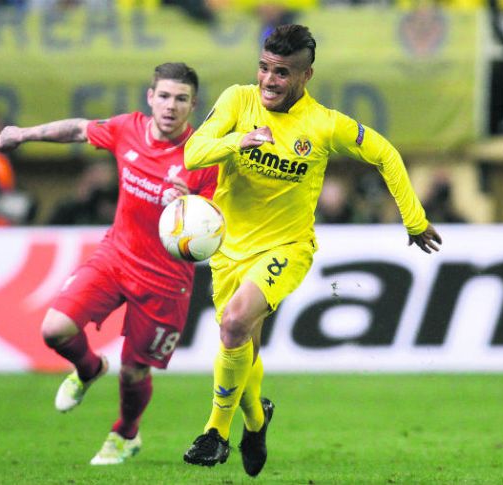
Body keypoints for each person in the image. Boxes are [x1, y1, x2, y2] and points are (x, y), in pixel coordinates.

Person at [181, 24, 442, 477]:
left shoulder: (323, 125)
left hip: (287, 248)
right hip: (229, 251)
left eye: (281, 72)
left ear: (306, 76)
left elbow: (385, 153)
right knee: (239, 345)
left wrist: (414, 219)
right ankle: (257, 420)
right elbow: (192, 153)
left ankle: (215, 434)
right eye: (263, 68)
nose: (267, 80)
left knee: (235, 322)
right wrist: (236, 141)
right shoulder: (237, 101)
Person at [0, 62, 218, 465]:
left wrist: (191, 205)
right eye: (164, 96)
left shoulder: (203, 157)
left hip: (166, 281)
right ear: (150, 97)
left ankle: (125, 435)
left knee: (134, 373)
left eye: (181, 99)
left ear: (193, 105)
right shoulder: (126, 128)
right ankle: (88, 368)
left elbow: (215, 227)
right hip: (115, 258)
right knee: (54, 330)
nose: (170, 106)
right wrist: (24, 134)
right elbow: (79, 128)